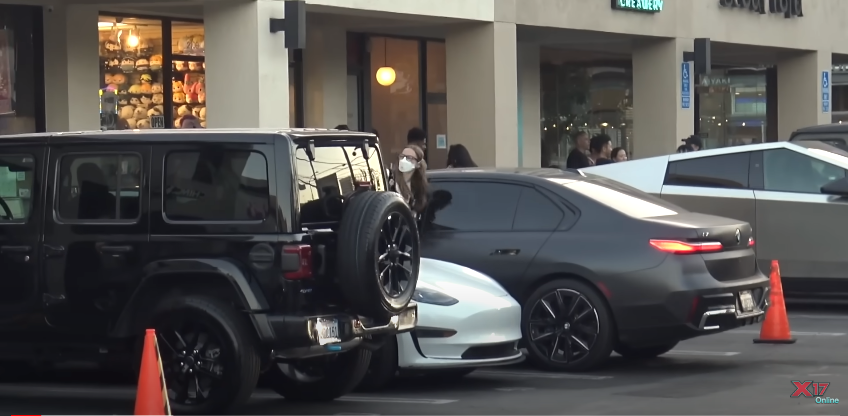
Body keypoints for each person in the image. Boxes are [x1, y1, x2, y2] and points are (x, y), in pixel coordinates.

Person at [393, 144, 429, 215]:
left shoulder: (420, 186)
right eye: (402, 156)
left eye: (409, 158)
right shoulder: (392, 182)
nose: (404, 160)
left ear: (418, 164)